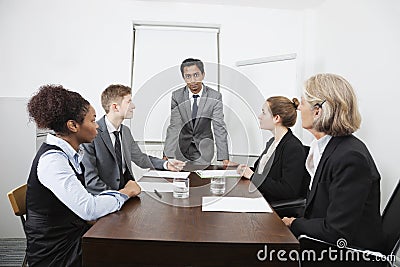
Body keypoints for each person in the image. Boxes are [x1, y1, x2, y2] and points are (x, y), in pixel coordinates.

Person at [25, 85, 141, 267]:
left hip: (73, 235)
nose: (97, 126)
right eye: (93, 121)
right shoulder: (53, 161)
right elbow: (88, 208)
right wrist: (127, 192)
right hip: (57, 254)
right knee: (131, 252)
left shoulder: (70, 153)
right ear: (72, 125)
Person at [282, 74, 384, 252]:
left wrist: (294, 223)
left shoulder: (351, 157)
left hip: (346, 256)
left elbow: (336, 232)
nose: (299, 109)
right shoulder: (323, 148)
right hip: (321, 245)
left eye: (302, 103)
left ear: (317, 111)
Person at [82, 84, 185, 195]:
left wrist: (166, 164)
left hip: (129, 193)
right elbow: (91, 181)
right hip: (107, 197)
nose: (133, 106)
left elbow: (140, 158)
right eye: (129, 102)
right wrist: (119, 196)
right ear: (115, 107)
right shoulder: (91, 134)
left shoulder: (125, 131)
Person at [164, 58, 235, 166]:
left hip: (204, 151)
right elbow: (175, 126)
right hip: (182, 149)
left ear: (203, 74)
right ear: (183, 77)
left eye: (196, 75)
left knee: (201, 181)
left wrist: (224, 158)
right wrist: (167, 154)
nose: (192, 80)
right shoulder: (177, 96)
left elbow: (219, 127)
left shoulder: (214, 96)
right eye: (188, 76)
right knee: (181, 181)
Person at [237, 96, 308, 202]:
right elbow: (263, 173)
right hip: (258, 197)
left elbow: (288, 190)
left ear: (276, 118)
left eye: (263, 113)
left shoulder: (293, 147)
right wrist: (246, 170)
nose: (259, 116)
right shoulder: (272, 142)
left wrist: (252, 176)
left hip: (272, 205)